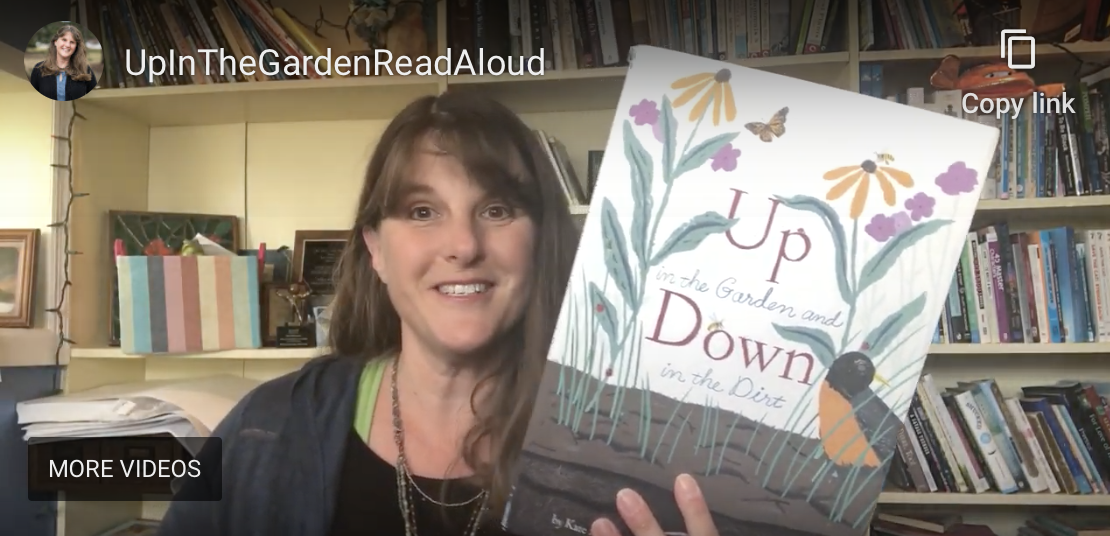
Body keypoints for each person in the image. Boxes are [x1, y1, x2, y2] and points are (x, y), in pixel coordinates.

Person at [156, 91, 721, 536]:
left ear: (540, 243)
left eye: (496, 209)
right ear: (376, 249)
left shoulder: (632, 453)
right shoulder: (267, 427)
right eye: (423, 211)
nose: (463, 245)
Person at [27, 24, 97, 101]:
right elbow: (32, 99)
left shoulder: (85, 70)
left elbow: (94, 100)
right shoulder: (39, 69)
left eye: (72, 42)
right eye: (64, 40)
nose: (67, 45)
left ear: (76, 47)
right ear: (55, 42)